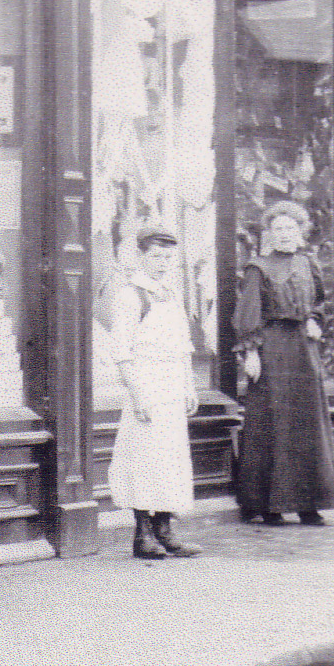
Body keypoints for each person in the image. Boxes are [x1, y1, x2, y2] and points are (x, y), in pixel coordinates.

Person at [232, 200, 334, 527]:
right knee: (275, 424)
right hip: (273, 349)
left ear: (301, 232)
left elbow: (320, 303)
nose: (284, 235)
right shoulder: (258, 268)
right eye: (277, 229)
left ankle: (310, 503)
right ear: (268, 233)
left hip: (303, 349)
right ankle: (271, 505)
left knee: (307, 423)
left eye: (290, 228)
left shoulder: (309, 264)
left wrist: (315, 320)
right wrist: (250, 352)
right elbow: (248, 313)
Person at [107, 225, 203, 559]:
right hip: (146, 384)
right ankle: (142, 534)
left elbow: (182, 347)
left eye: (168, 257)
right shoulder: (130, 295)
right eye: (155, 256)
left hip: (172, 386)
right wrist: (137, 394)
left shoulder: (171, 295)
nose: (162, 263)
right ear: (140, 256)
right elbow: (121, 352)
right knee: (143, 457)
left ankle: (165, 528)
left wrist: (189, 386)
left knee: (170, 458)